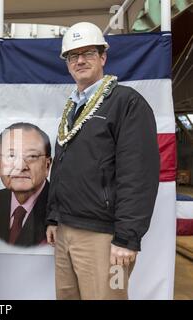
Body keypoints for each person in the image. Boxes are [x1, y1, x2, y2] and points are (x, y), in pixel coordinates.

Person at [46, 22, 160, 299]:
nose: (80, 60)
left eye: (88, 53)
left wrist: (126, 238)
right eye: (73, 55)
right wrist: (53, 216)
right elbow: (64, 167)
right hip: (66, 232)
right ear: (67, 63)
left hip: (106, 238)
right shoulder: (73, 107)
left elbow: (139, 174)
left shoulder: (127, 102)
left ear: (103, 57)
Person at [0, 123, 52, 247]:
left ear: (47, 165)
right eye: (11, 156)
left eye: (32, 156)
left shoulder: (61, 207)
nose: (20, 167)